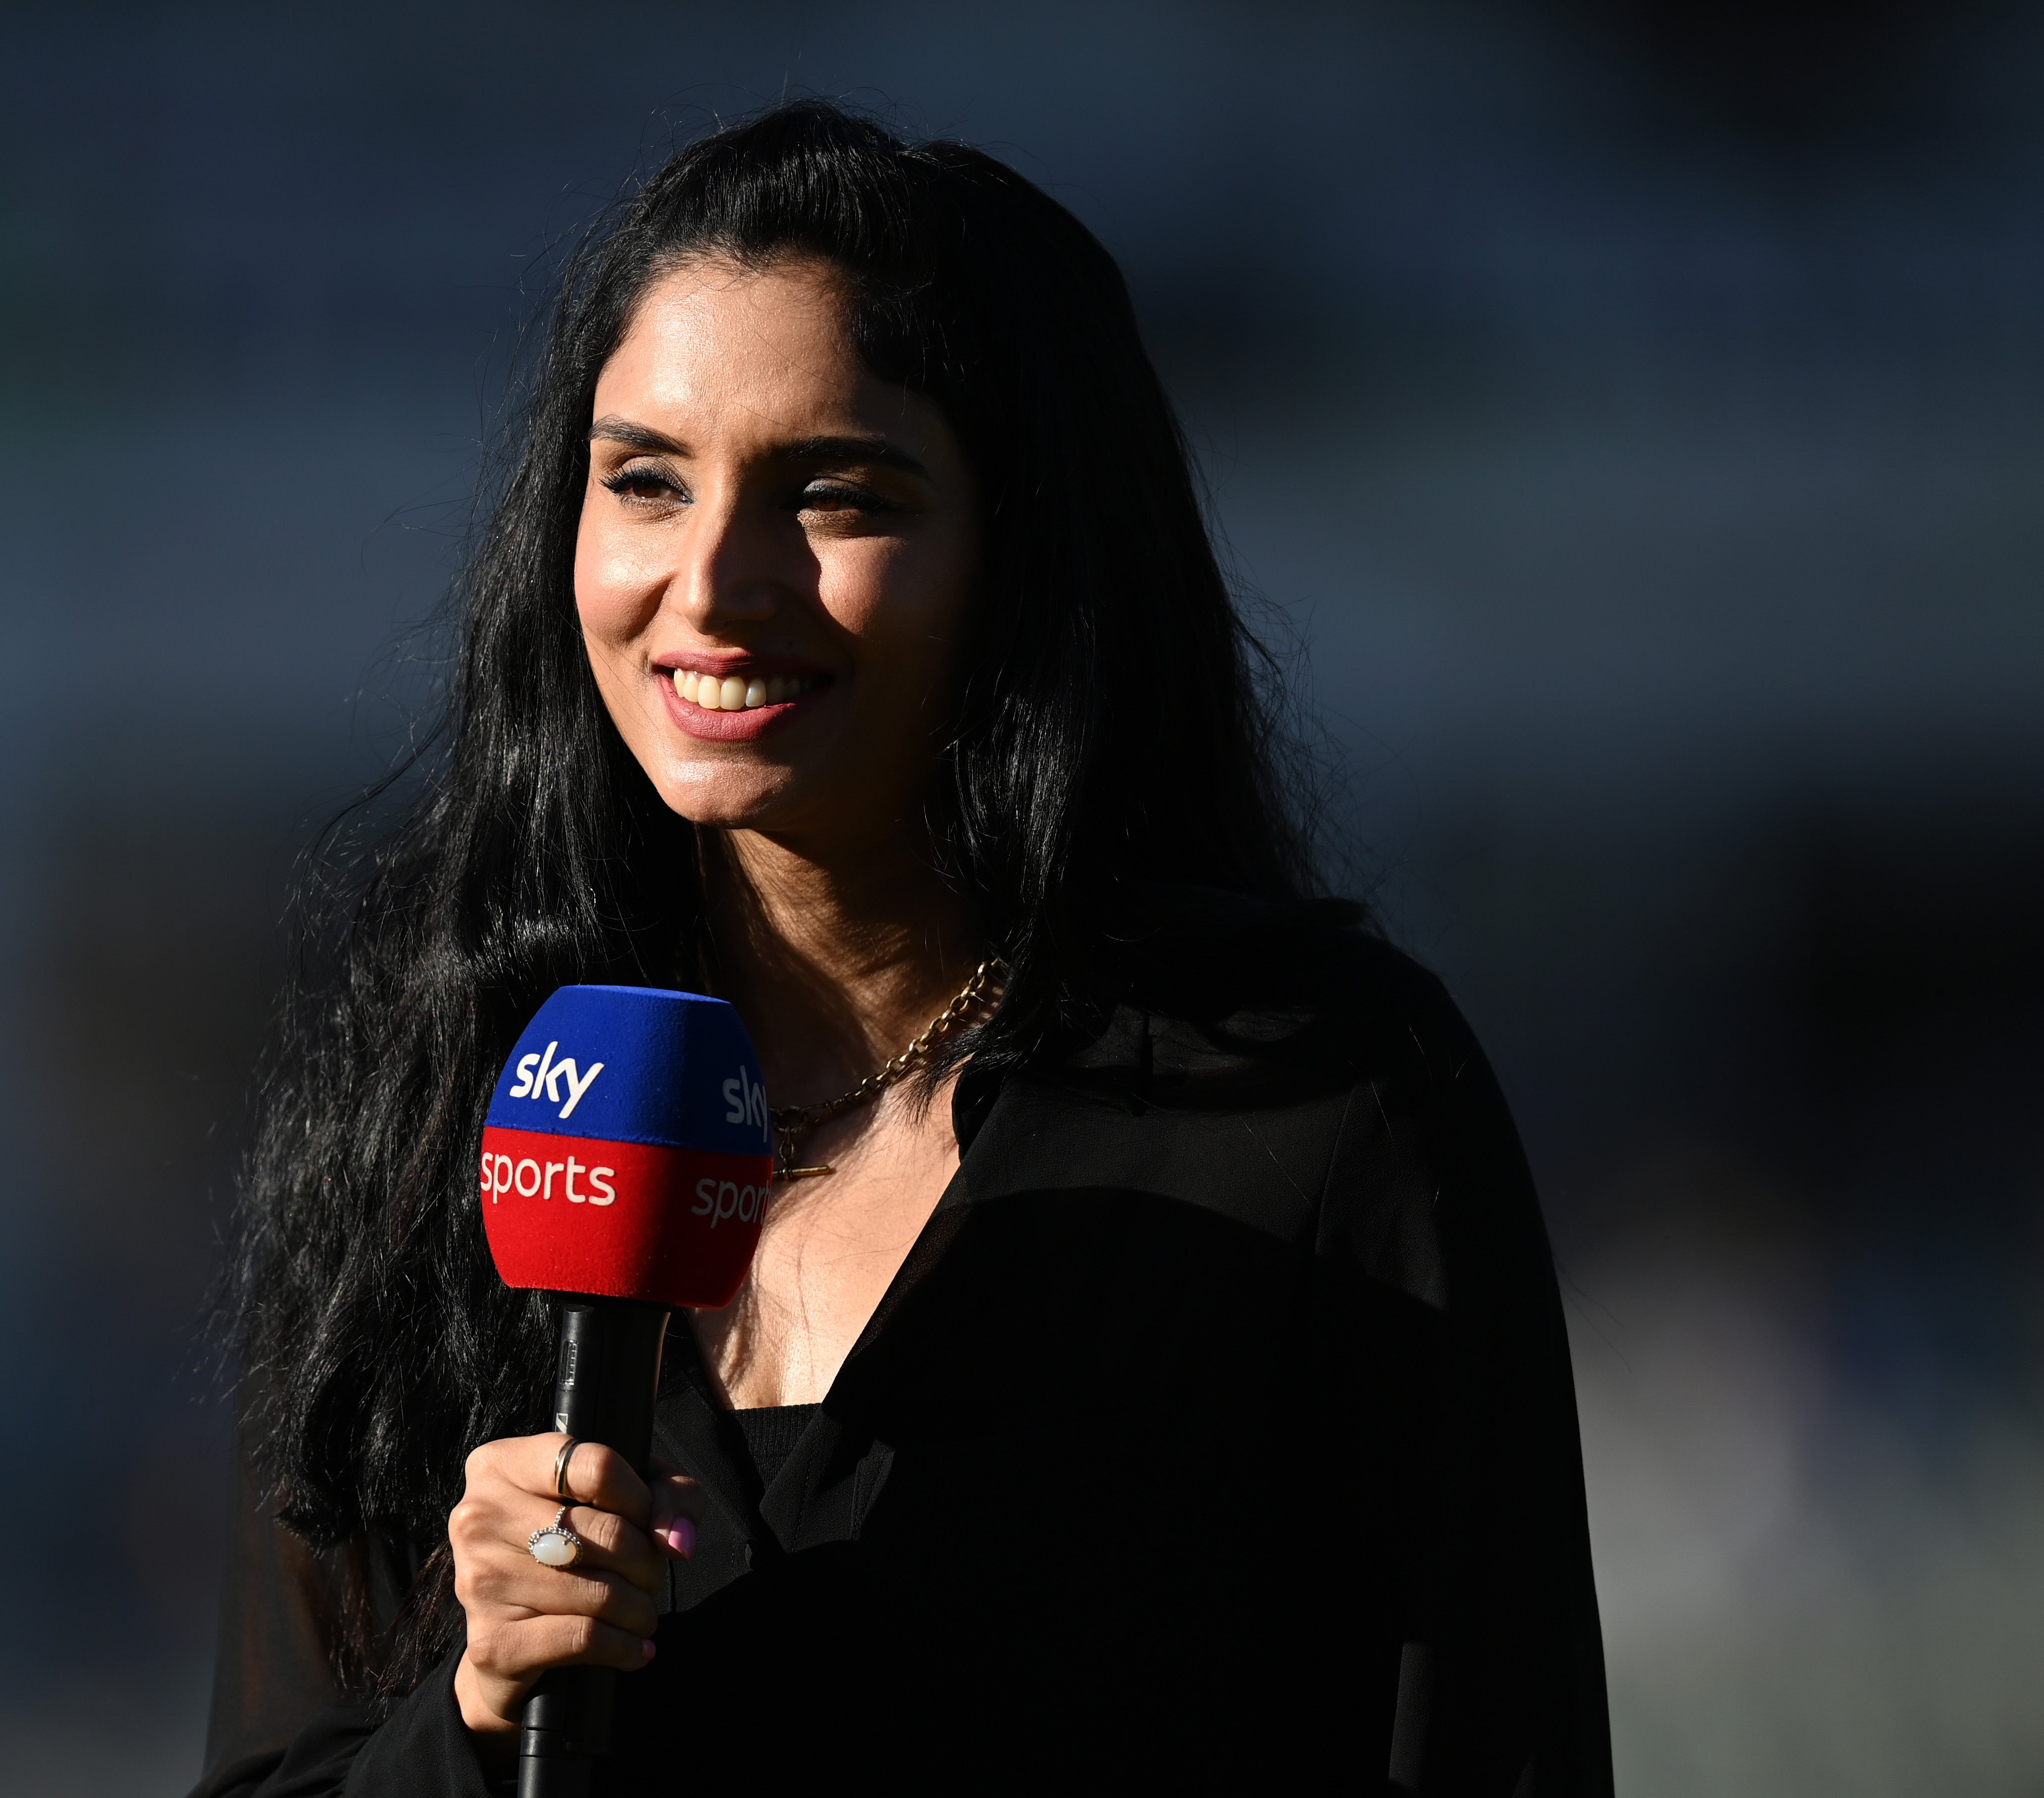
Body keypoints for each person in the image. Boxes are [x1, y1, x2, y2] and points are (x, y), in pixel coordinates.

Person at [193, 101, 1612, 1797]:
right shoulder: (445, 1098)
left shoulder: (1322, 1108)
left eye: (835, 495)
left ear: (1025, 555)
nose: (708, 584)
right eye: (643, 478)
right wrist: (481, 1708)